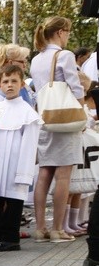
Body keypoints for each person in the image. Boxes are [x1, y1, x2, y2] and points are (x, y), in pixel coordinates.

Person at [30, 16, 85, 243]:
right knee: (63, 175)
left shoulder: (37, 59)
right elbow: (76, 88)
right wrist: (80, 109)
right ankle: (58, 229)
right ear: (61, 32)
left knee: (45, 173)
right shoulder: (65, 55)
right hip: (65, 118)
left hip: (45, 117)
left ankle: (41, 227)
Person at [0, 65, 41, 252]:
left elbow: (29, 145)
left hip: (15, 163)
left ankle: (11, 238)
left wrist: (24, 172)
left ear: (21, 84)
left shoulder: (28, 113)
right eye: (5, 81)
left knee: (13, 202)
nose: (9, 85)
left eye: (14, 81)